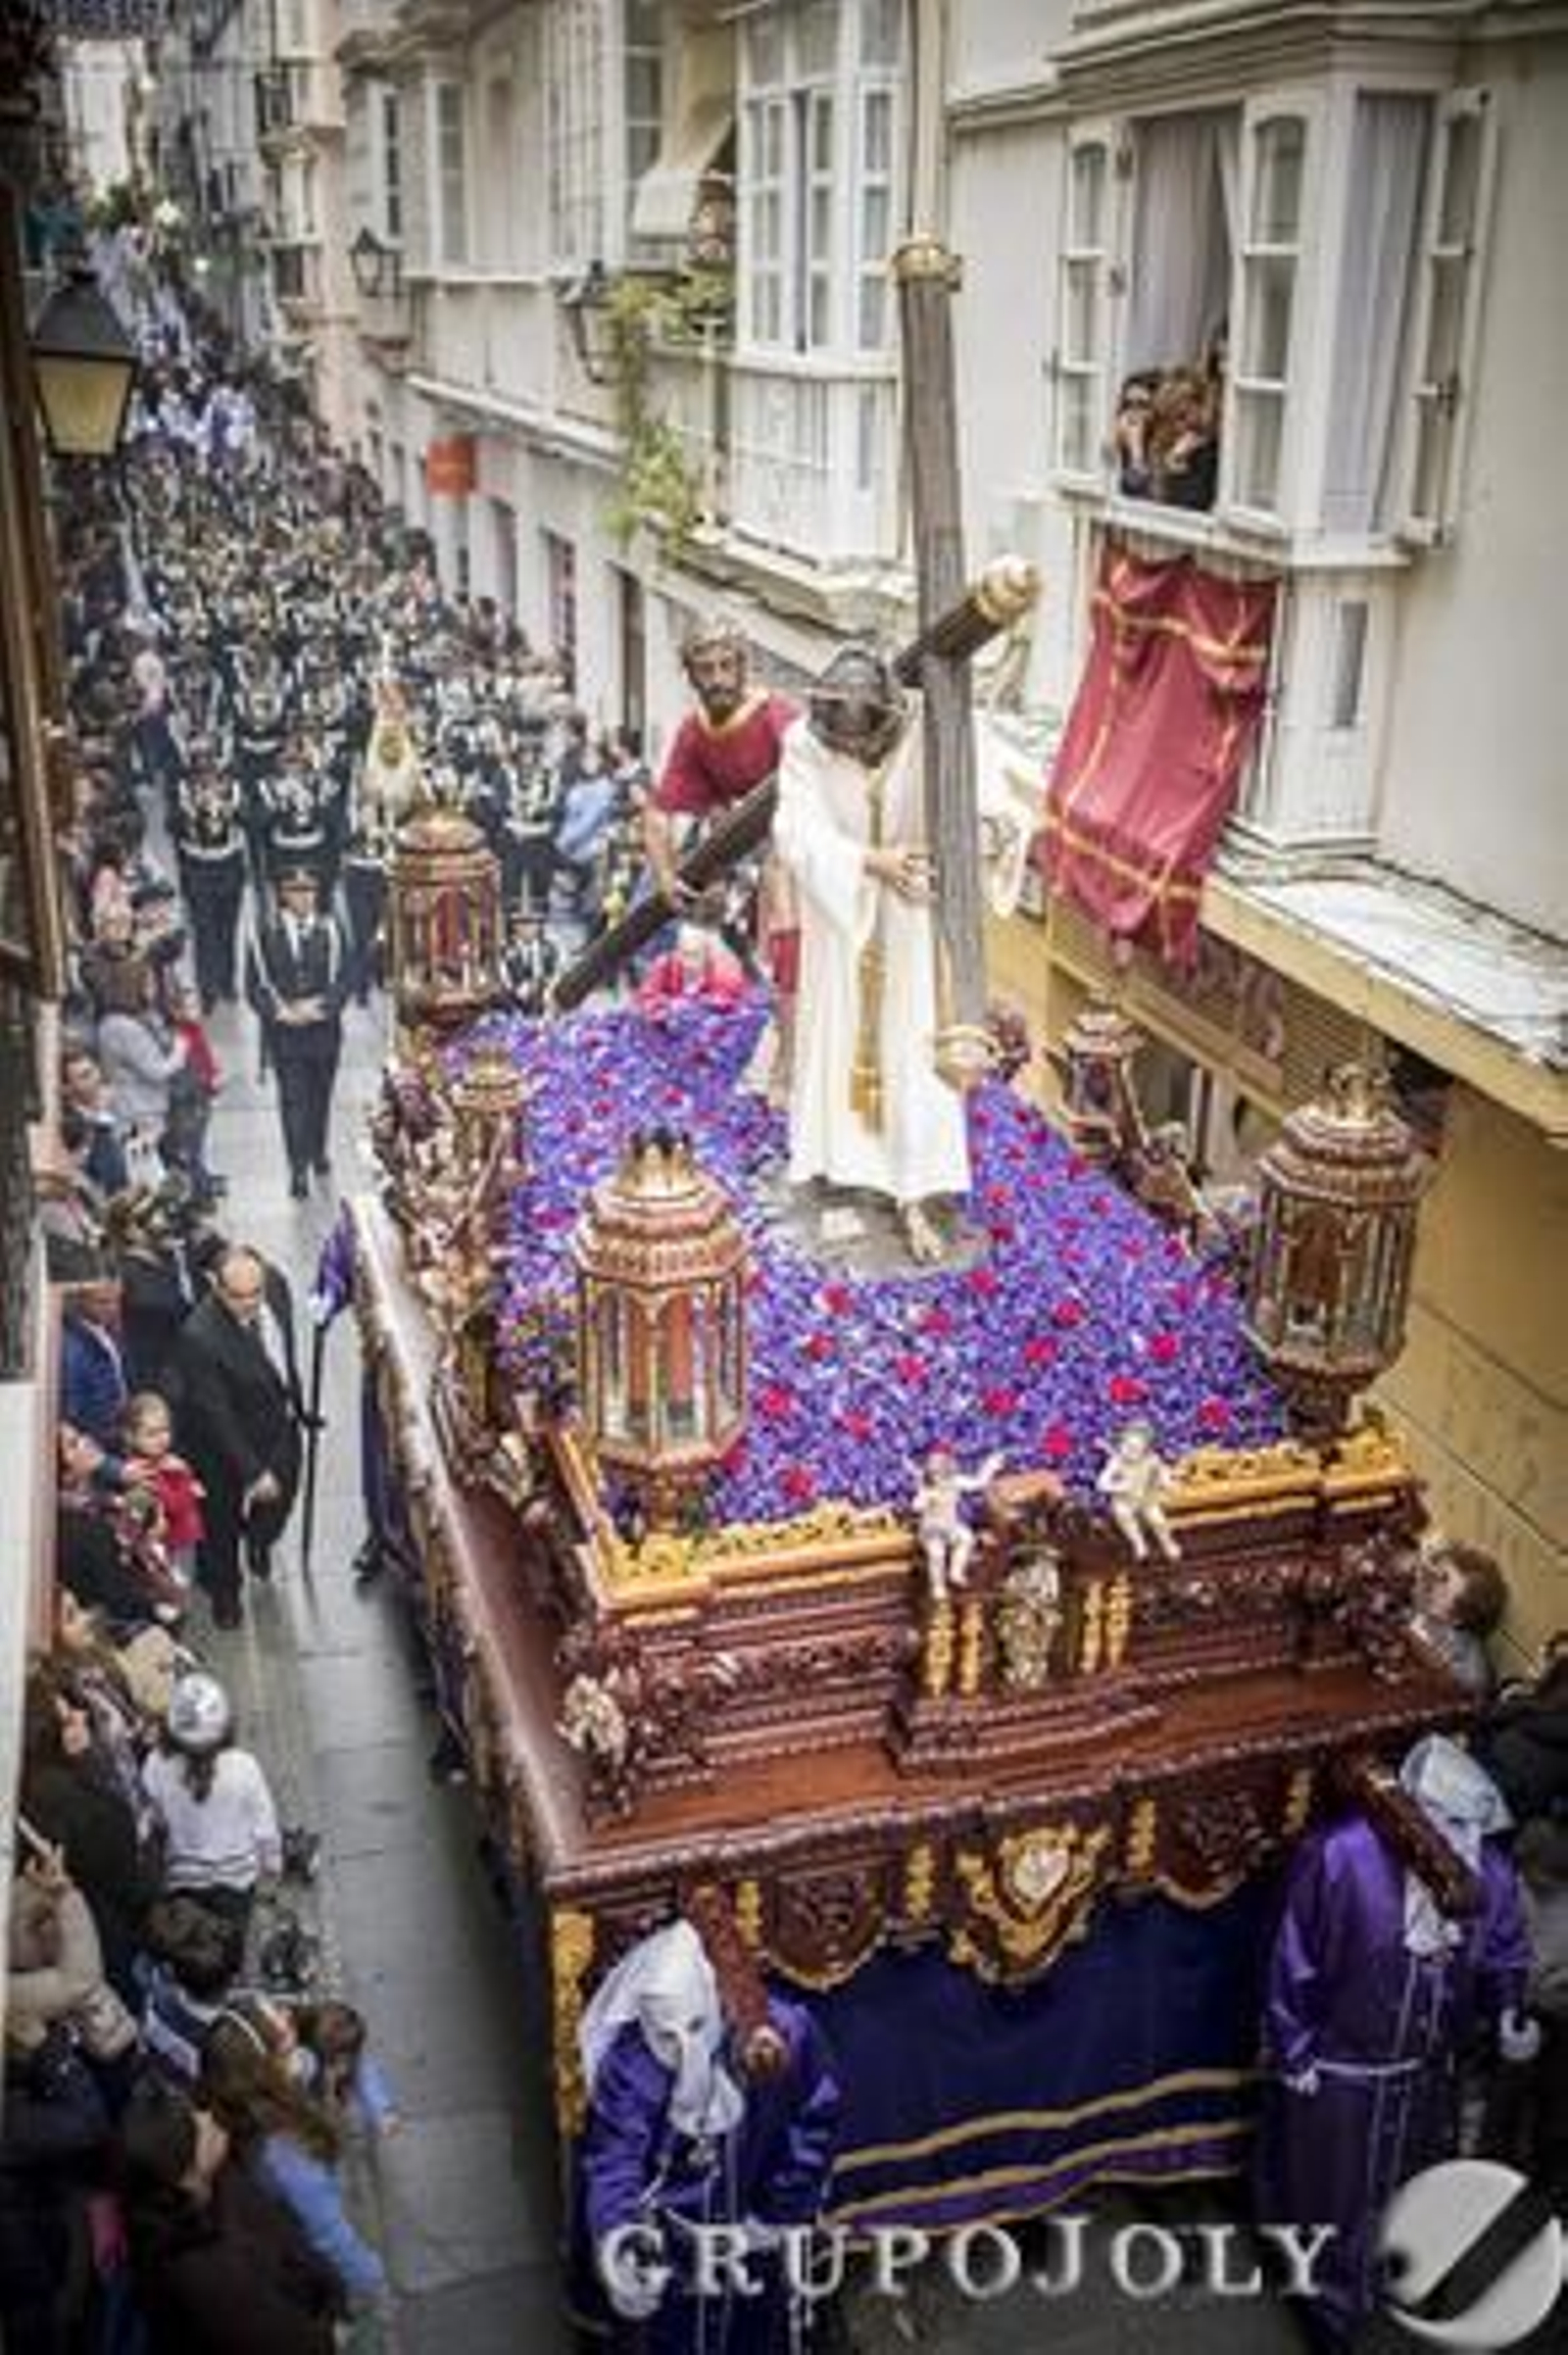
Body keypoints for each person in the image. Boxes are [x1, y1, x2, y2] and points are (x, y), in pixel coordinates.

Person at [1256, 1737, 1533, 2349]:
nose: (1459, 1839)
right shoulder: (1338, 1856)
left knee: (1409, 2188)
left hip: (1425, 2075)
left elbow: (1505, 1949)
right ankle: (1325, 2310)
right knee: (1326, 2192)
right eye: (1448, 1822)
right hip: (1341, 2074)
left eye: (1470, 1826)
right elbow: (1294, 1952)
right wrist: (1293, 2046)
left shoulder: (1486, 1869)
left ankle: (1393, 2278)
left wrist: (1508, 2007)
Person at [772, 644, 1026, 1262]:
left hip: (916, 926)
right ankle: (842, 1168)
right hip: (844, 920)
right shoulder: (806, 742)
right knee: (838, 1046)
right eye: (847, 749)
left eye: (868, 745)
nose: (857, 756)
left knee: (915, 1056)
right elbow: (795, 829)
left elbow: (998, 811)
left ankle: (915, 1189)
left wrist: (970, 842)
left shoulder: (940, 727)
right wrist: (868, 862)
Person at [579, 1907, 841, 2353]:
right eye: (665, 2035)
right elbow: (613, 2159)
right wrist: (622, 2248)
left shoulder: (786, 2034)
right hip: (673, 2247)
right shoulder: (634, 2064)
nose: (679, 2051)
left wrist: (779, 2210)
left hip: (756, 2239)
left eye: (691, 2029)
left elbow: (814, 2119)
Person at [118, 2076, 342, 2354]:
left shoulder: (216, 2180)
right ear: (185, 2177)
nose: (208, 2117)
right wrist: (329, 2334)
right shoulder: (208, 2280)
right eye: (197, 2127)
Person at [202, 2001, 390, 2310]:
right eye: (285, 2034)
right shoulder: (291, 2162)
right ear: (269, 2070)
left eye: (274, 2007)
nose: (287, 2013)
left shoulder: (250, 2089)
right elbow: (330, 2237)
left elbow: (349, 2054)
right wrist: (370, 2275)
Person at [172, 1246, 304, 1624]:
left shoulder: (275, 1287)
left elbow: (284, 1349)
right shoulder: (199, 1336)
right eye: (238, 1296)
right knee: (221, 1523)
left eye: (255, 1293)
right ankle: (225, 1593)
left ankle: (260, 1542)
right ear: (216, 1287)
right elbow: (217, 1415)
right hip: (223, 1444)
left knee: (281, 1499)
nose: (250, 1303)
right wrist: (251, 1471)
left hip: (278, 1423)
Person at [140, 1672, 282, 1939]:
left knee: (193, 1944)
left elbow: (152, 1822)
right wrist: (272, 1865)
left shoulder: (155, 1765)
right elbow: (265, 1830)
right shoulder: (244, 1766)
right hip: (237, 1880)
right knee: (232, 1939)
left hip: (183, 1880)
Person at [244, 866, 349, 1199]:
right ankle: (297, 1167)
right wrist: (279, 1012)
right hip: (286, 1033)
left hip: (323, 1031)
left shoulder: (331, 929)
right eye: (295, 890)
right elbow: (255, 984)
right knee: (293, 1101)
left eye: (309, 891)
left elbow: (345, 977)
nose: (303, 897)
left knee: (320, 1096)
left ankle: (318, 1149)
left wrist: (323, 1008)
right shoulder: (265, 933)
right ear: (283, 895)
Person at [1409, 1536, 1508, 1699]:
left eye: (1443, 1582)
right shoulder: (1420, 1608)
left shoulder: (1467, 1671)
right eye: (1436, 1573)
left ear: (1458, 1618)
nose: (1430, 1581)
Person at [912, 1447, 1004, 1600]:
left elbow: (977, 1483)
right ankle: (938, 1586)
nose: (937, 1476)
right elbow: (915, 1506)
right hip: (932, 1531)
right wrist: (926, 1498)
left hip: (951, 1527)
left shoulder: (955, 1482)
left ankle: (956, 1571)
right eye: (933, 1472)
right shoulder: (928, 1490)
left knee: (966, 1537)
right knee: (936, 1554)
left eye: (940, 1471)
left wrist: (990, 1467)